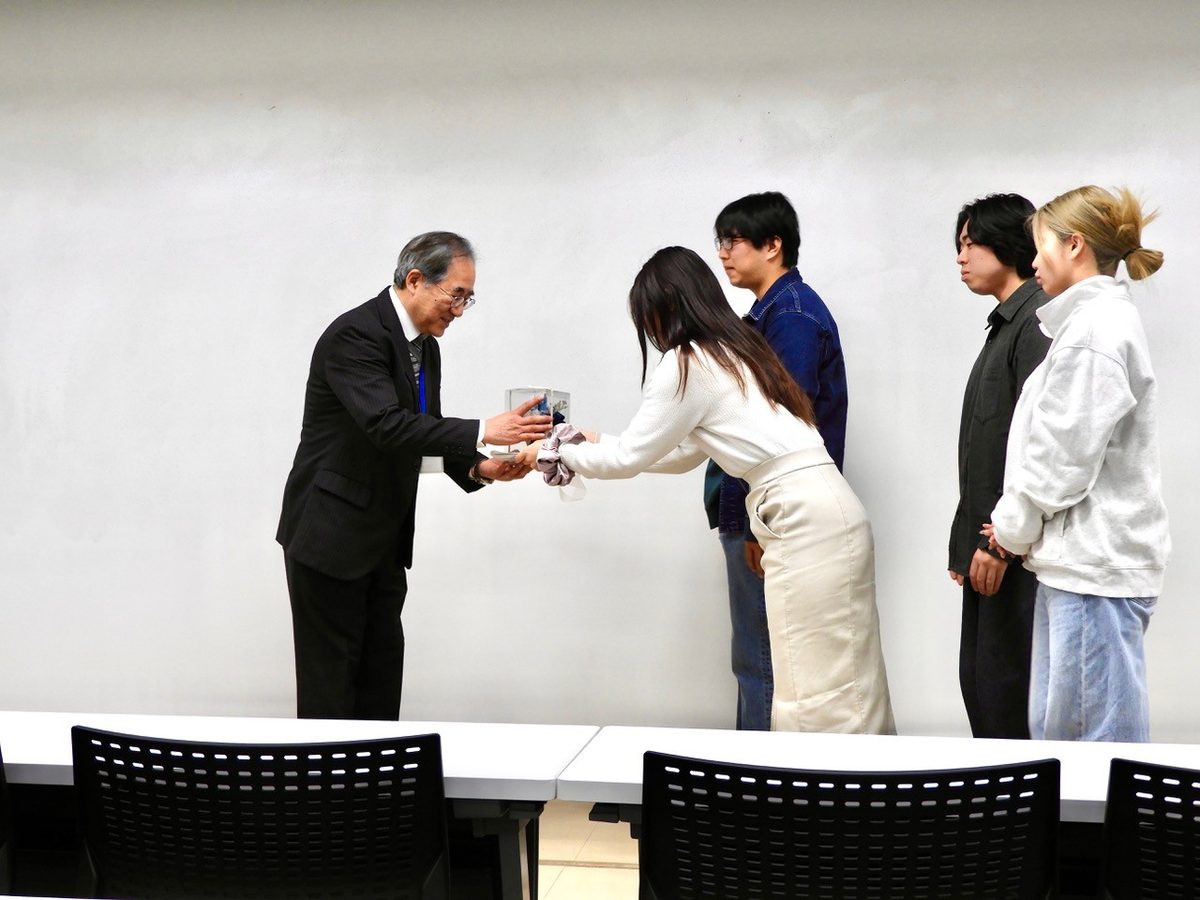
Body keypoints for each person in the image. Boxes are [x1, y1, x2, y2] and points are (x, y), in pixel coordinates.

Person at [538, 246, 894, 733]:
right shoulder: (738, 352)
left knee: (809, 690)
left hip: (801, 516)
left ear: (663, 309)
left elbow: (629, 459)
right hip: (834, 509)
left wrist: (552, 454)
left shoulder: (687, 363)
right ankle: (868, 781)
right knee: (853, 683)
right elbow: (680, 454)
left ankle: (809, 783)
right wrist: (590, 442)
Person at [276, 231, 551, 720]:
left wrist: (481, 466)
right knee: (330, 695)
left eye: (468, 298)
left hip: (382, 539)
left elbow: (423, 430)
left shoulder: (425, 346)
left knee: (381, 683)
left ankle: (380, 772)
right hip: (329, 536)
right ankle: (327, 775)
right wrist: (485, 428)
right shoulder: (355, 335)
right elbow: (387, 425)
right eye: (456, 295)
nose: (460, 310)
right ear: (416, 280)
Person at [985, 187, 1169, 742]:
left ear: (1074, 246)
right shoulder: (1092, 326)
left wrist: (1011, 531)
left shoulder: (1094, 333)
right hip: (1084, 567)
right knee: (1072, 738)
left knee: (1089, 749)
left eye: (1040, 246)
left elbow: (1059, 461)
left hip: (1092, 570)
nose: (1033, 262)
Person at [705, 191, 849, 731]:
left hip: (772, 514)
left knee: (763, 660)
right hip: (765, 511)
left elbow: (779, 429)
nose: (724, 253)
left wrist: (755, 528)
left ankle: (758, 777)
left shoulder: (789, 316)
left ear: (773, 246)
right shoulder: (772, 312)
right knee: (762, 657)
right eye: (720, 242)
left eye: (734, 241)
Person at [948, 193, 1050, 739]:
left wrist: (999, 546)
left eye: (971, 244)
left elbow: (1038, 449)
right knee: (982, 685)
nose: (960, 257)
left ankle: (1022, 796)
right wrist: (966, 541)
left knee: (1005, 692)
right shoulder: (1006, 324)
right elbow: (984, 447)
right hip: (990, 542)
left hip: (1014, 551)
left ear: (1007, 243)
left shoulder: (1036, 322)